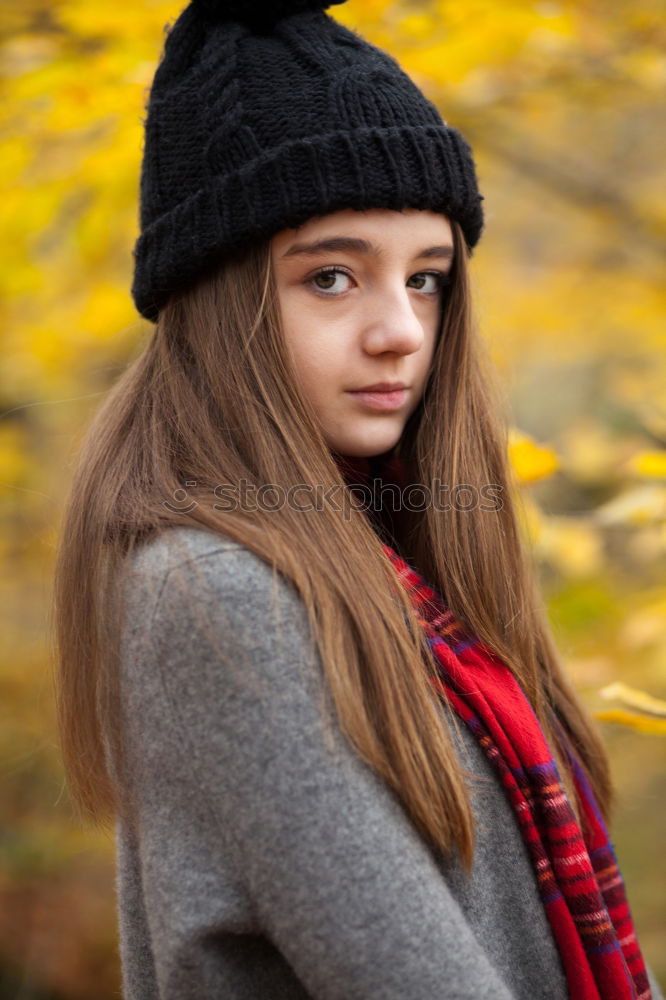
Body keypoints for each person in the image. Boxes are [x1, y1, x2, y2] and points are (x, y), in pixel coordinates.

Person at [52, 1, 662, 998]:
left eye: (426, 280)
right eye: (333, 276)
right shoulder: (214, 593)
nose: (402, 331)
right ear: (222, 301)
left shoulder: (403, 567)